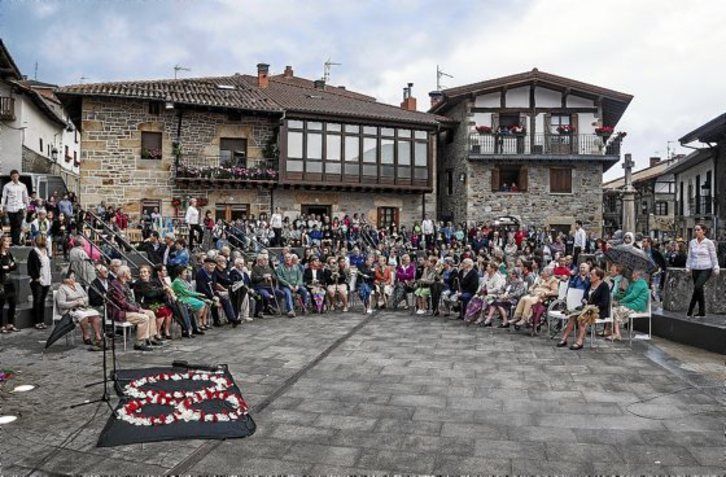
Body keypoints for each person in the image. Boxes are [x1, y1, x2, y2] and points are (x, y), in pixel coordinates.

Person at [108, 265, 162, 351]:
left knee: (151, 313)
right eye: (129, 272)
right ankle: (139, 343)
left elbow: (130, 300)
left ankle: (150, 338)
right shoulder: (116, 285)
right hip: (119, 312)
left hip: (128, 310)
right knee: (144, 318)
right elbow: (123, 304)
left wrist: (138, 308)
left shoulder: (124, 283)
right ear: (124, 274)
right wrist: (137, 310)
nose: (131, 274)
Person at [557, 267, 610, 350]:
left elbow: (604, 303)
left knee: (582, 317)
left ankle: (580, 341)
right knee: (572, 316)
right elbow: (585, 296)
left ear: (598, 277)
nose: (589, 276)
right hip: (586, 308)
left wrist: (591, 305)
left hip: (598, 310)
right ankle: (564, 338)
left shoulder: (604, 286)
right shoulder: (590, 284)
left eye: (592, 274)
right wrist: (584, 300)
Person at [56, 270, 103, 347]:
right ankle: (86, 336)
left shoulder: (77, 285)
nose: (74, 279)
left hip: (82, 307)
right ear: (65, 279)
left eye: (74, 277)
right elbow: (61, 304)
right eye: (71, 277)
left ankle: (98, 336)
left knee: (95, 314)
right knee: (83, 315)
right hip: (70, 310)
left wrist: (82, 301)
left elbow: (86, 296)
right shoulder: (62, 288)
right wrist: (75, 302)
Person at [685, 224, 720, 317]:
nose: (696, 232)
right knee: (699, 290)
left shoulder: (709, 243)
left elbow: (713, 256)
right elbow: (689, 256)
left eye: (698, 230)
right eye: (695, 230)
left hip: (706, 268)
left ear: (703, 231)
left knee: (697, 287)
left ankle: (690, 309)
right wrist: (688, 267)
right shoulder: (692, 242)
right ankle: (702, 312)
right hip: (695, 268)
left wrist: (716, 267)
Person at [133, 265, 174, 339]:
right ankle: (157, 333)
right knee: (162, 311)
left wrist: (166, 291)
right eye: (141, 272)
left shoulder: (151, 281)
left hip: (153, 302)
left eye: (145, 272)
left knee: (169, 310)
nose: (143, 274)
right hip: (143, 304)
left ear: (149, 273)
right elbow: (149, 294)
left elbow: (156, 291)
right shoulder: (139, 283)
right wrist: (163, 289)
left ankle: (165, 331)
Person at [611, 269, 649, 340]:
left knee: (616, 310)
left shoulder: (641, 283)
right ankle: (615, 332)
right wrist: (615, 295)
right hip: (630, 304)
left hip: (637, 306)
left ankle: (617, 333)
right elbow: (625, 294)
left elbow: (633, 295)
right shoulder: (633, 283)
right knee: (613, 309)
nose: (632, 275)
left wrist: (620, 302)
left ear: (638, 275)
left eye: (634, 273)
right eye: (633, 273)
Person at [171, 267, 209, 333]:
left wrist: (198, 294)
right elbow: (186, 292)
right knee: (201, 304)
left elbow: (190, 290)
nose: (187, 274)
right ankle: (197, 324)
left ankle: (199, 323)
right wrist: (199, 294)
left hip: (187, 297)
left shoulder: (183, 280)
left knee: (204, 303)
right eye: (185, 272)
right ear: (179, 274)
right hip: (182, 299)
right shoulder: (177, 281)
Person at [28, 235, 51, 330]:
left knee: (42, 301)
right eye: (45, 240)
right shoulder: (34, 252)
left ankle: (42, 321)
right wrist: (36, 277)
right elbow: (31, 266)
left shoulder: (46, 251)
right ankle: (37, 321)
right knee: (37, 300)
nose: (47, 242)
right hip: (38, 280)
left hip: (46, 279)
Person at [1, 170, 30, 245]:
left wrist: (28, 207)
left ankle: (16, 242)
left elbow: (26, 197)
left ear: (18, 176)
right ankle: (14, 241)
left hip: (19, 208)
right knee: (13, 225)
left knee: (18, 224)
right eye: (13, 176)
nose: (15, 178)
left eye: (16, 176)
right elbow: (4, 197)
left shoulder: (23, 186)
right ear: (11, 177)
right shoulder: (7, 186)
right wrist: (1, 207)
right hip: (10, 209)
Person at [0, 235, 18, 333]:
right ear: (2, 242)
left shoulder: (9, 253)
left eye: (9, 241)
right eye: (6, 241)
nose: (8, 243)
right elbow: (2, 268)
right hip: (1, 282)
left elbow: (14, 266)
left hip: (9, 281)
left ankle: (10, 324)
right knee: (1, 305)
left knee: (13, 302)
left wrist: (7, 267)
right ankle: (1, 326)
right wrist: (6, 267)